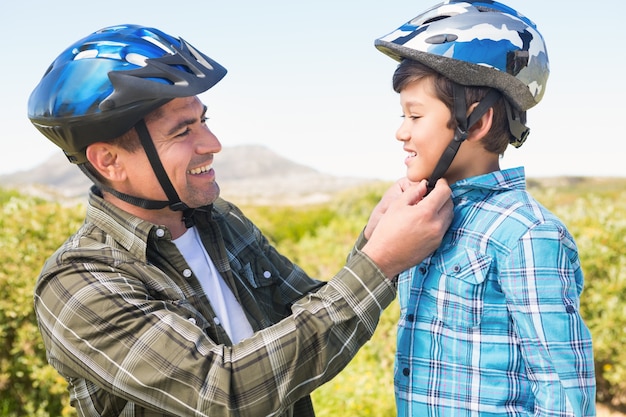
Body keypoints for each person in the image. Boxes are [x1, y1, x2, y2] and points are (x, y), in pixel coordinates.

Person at [27, 24, 453, 417]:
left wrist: (375, 240)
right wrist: (378, 264)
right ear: (110, 161)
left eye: (204, 120)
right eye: (182, 131)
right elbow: (224, 393)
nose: (212, 144)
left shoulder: (220, 221)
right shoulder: (78, 285)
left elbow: (306, 319)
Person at [374, 1, 596, 415]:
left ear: (475, 123)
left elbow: (564, 391)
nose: (400, 131)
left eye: (415, 115)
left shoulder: (526, 234)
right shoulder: (421, 222)